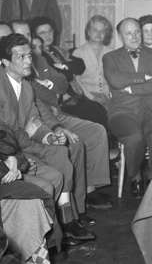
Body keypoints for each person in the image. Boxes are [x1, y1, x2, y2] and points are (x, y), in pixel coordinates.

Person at [0, 33, 95, 245]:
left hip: (25, 142)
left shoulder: (26, 86)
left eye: (29, 55)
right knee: (55, 173)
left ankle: (67, 220)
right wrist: (27, 140)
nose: (28, 61)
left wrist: (49, 136)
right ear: (5, 61)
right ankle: (62, 224)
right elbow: (2, 133)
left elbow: (34, 120)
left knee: (61, 152)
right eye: (21, 57)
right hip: (9, 149)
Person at [11, 20, 112, 211]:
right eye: (21, 35)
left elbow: (63, 83)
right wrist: (52, 91)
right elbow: (46, 96)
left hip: (54, 111)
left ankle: (91, 188)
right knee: (76, 139)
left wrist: (51, 86)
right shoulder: (14, 67)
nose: (27, 40)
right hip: (44, 116)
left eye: (29, 35)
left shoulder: (39, 58)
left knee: (97, 129)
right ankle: (74, 207)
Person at [0, 42, 55, 261]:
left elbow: (5, 137)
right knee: (29, 203)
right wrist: (4, 167)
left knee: (32, 202)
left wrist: (14, 158)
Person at [103, 18, 152, 197]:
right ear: (120, 36)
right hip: (122, 110)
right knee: (134, 138)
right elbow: (115, 81)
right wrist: (144, 77)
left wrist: (132, 88)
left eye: (137, 32)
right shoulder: (109, 58)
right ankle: (135, 175)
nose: (134, 36)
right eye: (128, 33)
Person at [30, 16, 108, 130]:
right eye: (42, 33)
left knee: (99, 110)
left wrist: (64, 67)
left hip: (75, 95)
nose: (48, 35)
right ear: (34, 35)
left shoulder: (57, 50)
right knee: (95, 113)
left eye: (50, 31)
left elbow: (80, 65)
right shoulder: (37, 56)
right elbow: (63, 76)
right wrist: (67, 68)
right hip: (60, 100)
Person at [72, 15, 113, 107]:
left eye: (102, 31)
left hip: (107, 97)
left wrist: (109, 96)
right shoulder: (78, 53)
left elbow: (113, 79)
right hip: (86, 97)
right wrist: (92, 97)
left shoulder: (111, 53)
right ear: (88, 32)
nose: (99, 33)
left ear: (106, 33)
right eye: (95, 30)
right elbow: (76, 80)